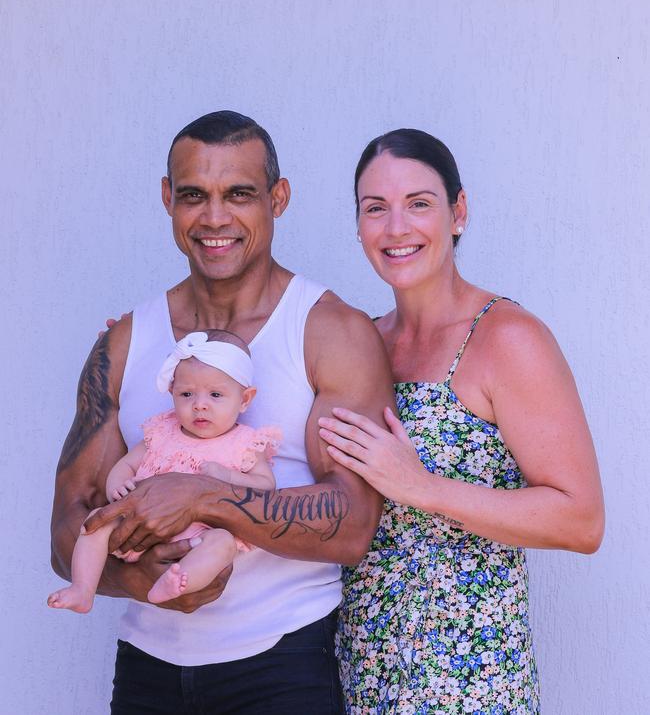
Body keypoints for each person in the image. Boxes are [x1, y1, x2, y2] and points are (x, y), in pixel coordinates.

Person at [50, 111, 395, 714]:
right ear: (167, 200)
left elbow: (355, 526)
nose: (215, 218)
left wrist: (204, 497)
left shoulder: (330, 331)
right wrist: (136, 580)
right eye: (193, 196)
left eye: (239, 194)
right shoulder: (125, 342)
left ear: (277, 198)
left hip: (282, 661)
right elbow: (64, 534)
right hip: (147, 668)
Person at [318, 129, 605, 714]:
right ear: (358, 226)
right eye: (376, 209)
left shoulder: (508, 339)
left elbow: (581, 519)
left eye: (419, 203)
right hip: (364, 673)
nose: (396, 228)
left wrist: (421, 488)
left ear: (459, 212)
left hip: (469, 681)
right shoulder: (359, 344)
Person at [48, 330, 281, 611]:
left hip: (197, 535)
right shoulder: (162, 431)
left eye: (216, 394)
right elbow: (127, 464)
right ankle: (82, 589)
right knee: (96, 521)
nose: (200, 405)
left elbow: (266, 486)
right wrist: (118, 485)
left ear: (245, 399)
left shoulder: (244, 443)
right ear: (172, 393)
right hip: (137, 525)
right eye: (186, 394)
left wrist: (229, 477)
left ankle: (178, 581)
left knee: (222, 544)